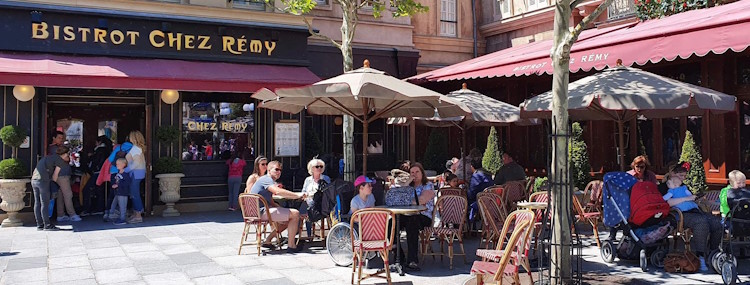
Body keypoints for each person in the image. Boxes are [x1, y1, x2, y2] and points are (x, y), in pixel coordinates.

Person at [661, 161, 722, 265]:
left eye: (685, 176)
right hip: (679, 214)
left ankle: (713, 252)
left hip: (694, 211)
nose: (683, 178)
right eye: (681, 175)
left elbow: (691, 198)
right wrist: (686, 198)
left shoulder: (683, 186)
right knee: (701, 222)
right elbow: (666, 203)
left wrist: (698, 199)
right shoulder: (664, 187)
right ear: (672, 173)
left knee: (716, 222)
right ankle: (700, 256)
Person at [249, 161, 306, 253]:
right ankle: (292, 246)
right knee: (295, 214)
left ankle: (267, 241)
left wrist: (280, 208)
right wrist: (297, 195)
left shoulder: (265, 180)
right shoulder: (267, 179)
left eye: (280, 170)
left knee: (288, 217)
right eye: (276, 169)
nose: (279, 172)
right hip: (260, 212)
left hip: (257, 211)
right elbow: (277, 192)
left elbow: (270, 200)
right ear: (269, 170)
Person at [400, 162, 435, 271]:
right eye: (412, 172)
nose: (414, 174)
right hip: (407, 214)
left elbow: (422, 200)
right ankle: (399, 257)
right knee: (392, 223)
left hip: (423, 216)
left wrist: (406, 201)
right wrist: (407, 182)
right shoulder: (409, 186)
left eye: (417, 172)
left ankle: (412, 260)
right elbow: (399, 196)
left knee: (412, 223)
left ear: (422, 173)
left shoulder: (428, 185)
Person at [31, 146, 70, 231]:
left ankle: (39, 224)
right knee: (45, 203)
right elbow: (55, 176)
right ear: (65, 154)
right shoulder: (60, 161)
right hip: (43, 181)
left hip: (34, 180)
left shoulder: (49, 157)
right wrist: (53, 183)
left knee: (37, 203)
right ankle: (47, 225)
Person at [81, 136, 111, 216]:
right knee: (99, 191)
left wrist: (90, 158)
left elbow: (96, 162)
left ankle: (86, 209)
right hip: (102, 172)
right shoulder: (107, 150)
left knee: (86, 190)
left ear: (99, 142)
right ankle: (99, 208)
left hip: (97, 172)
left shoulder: (99, 151)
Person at [301, 158, 331, 236]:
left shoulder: (326, 179)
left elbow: (329, 192)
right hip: (309, 201)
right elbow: (303, 191)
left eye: (321, 166)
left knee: (310, 208)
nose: (319, 168)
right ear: (312, 168)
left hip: (321, 204)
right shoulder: (308, 180)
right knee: (304, 209)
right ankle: (308, 234)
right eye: (317, 166)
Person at [124, 131, 147, 224]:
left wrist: (126, 170)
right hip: (138, 173)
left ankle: (138, 215)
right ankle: (137, 212)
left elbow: (136, 163)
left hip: (135, 173)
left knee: (134, 194)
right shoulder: (138, 148)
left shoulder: (136, 149)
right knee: (134, 193)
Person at [56, 141, 81, 223]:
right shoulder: (64, 157)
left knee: (60, 195)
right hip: (63, 176)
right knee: (68, 195)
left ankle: (60, 214)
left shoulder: (56, 156)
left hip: (59, 176)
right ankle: (72, 214)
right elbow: (69, 160)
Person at [107, 158, 133, 225]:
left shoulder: (125, 174)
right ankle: (114, 215)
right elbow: (115, 180)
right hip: (118, 192)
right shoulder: (118, 173)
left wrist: (118, 185)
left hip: (123, 192)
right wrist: (114, 184)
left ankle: (122, 219)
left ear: (124, 164)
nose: (117, 165)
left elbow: (127, 183)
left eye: (118, 164)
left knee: (122, 206)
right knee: (115, 203)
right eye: (116, 164)